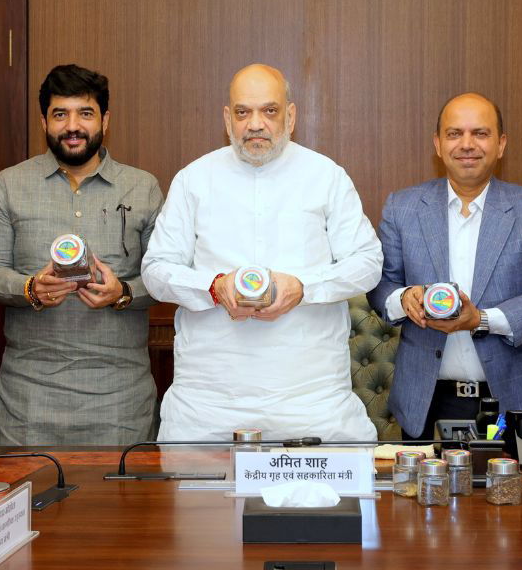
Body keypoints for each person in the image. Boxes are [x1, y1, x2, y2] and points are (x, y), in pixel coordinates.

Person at [142, 63, 380, 441]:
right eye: (243, 112)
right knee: (199, 500)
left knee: (328, 500)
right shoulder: (194, 179)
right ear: (227, 117)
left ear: (290, 115)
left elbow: (367, 263)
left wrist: (303, 287)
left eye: (269, 111)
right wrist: (215, 286)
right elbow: (155, 269)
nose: (255, 124)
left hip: (310, 402)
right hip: (208, 406)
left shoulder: (326, 176)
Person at [369, 93, 522, 440]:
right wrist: (404, 298)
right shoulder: (402, 208)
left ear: (501, 144)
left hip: (514, 401)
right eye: (454, 134)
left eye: (480, 133)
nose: (467, 144)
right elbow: (380, 284)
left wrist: (481, 320)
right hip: (427, 403)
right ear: (437, 144)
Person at [0, 65, 163, 445]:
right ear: (43, 120)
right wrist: (30, 288)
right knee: (27, 505)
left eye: (85, 113)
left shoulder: (142, 187)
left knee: (118, 505)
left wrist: (123, 293)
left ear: (105, 120)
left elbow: (165, 277)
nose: (72, 126)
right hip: (28, 398)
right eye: (60, 114)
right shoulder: (9, 185)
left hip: (119, 400)